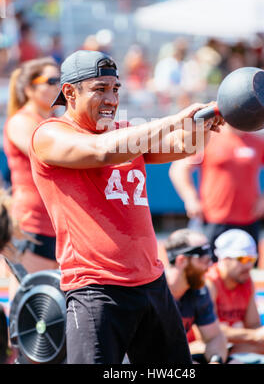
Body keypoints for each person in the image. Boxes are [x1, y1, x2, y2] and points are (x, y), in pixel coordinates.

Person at [28, 49, 224, 364]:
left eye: (115, 89)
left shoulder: (123, 133)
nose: (111, 98)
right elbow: (104, 152)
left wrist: (204, 124)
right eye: (100, 89)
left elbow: (185, 147)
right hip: (96, 289)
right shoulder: (50, 134)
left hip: (151, 283)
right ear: (69, 92)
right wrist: (174, 119)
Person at [169, 122, 264, 262]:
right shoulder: (208, 139)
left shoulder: (258, 141)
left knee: (245, 271)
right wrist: (190, 198)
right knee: (209, 270)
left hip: (248, 219)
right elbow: (179, 169)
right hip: (214, 219)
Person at [3, 57, 60, 273]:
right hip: (31, 225)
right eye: (51, 80)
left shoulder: (55, 122)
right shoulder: (21, 121)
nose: (59, 86)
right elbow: (49, 156)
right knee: (32, 300)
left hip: (57, 225)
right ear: (29, 88)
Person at [205, 229, 264, 357]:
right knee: (218, 349)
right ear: (225, 259)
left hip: (229, 346)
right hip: (205, 346)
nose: (249, 266)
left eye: (252, 259)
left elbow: (253, 324)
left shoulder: (245, 281)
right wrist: (254, 335)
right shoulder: (209, 283)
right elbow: (209, 332)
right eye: (243, 259)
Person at [163, 228, 227, 364]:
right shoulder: (151, 291)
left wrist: (216, 360)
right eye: (203, 259)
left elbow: (215, 337)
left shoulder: (199, 291)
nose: (210, 265)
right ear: (181, 261)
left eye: (210, 258)